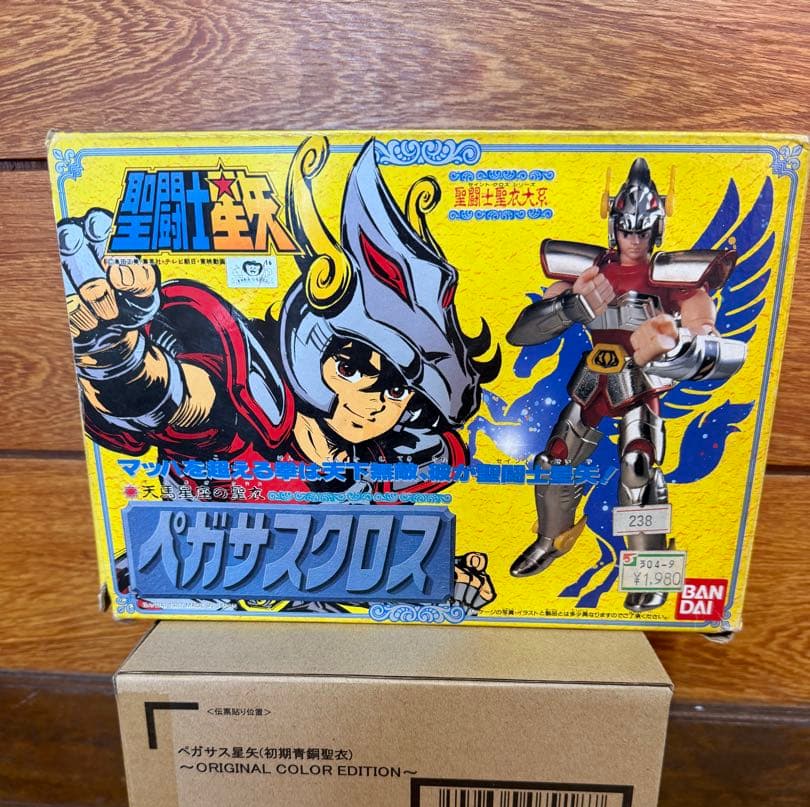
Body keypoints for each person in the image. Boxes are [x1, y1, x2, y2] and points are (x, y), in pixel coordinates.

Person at [58, 136, 501, 612]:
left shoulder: (393, 461)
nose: (370, 402)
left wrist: (436, 575)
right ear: (313, 350)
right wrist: (115, 358)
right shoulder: (259, 404)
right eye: (350, 368)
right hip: (202, 592)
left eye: (395, 389)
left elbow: (366, 553)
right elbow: (186, 399)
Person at [506, 158, 745, 611]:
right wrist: (570, 308)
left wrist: (681, 341)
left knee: (639, 468)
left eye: (642, 230)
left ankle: (649, 571)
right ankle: (552, 539)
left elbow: (705, 329)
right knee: (554, 460)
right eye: (626, 229)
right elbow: (522, 333)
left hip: (641, 381)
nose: (633, 239)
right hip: (593, 379)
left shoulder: (674, 276)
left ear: (657, 228)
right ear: (613, 224)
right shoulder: (587, 270)